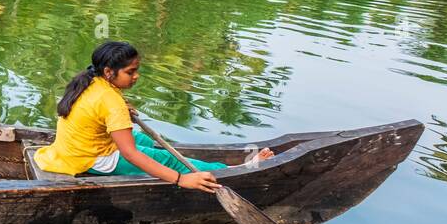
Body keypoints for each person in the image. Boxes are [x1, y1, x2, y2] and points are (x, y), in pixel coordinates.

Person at [34, 41, 273, 188]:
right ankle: (229, 172)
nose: (136, 76)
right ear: (108, 72)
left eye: (137, 70)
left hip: (75, 149)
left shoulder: (92, 82)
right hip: (92, 159)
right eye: (130, 72)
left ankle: (188, 162)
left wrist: (118, 112)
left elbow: (95, 111)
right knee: (168, 160)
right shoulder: (110, 100)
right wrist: (180, 180)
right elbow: (129, 153)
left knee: (145, 140)